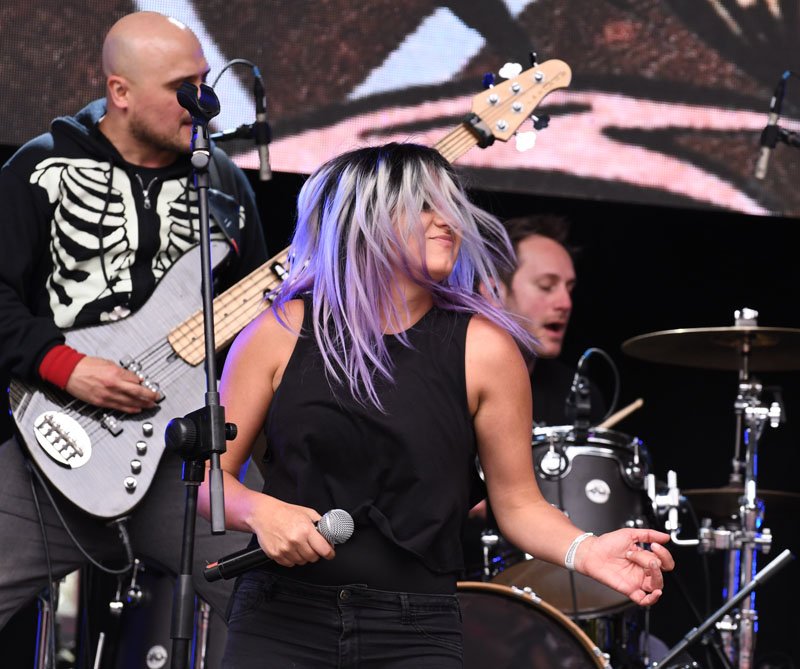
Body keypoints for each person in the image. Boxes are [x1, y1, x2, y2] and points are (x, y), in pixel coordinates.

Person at [198, 142, 674, 668]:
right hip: (281, 619)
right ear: (364, 217)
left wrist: (587, 550)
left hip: (414, 628)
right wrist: (259, 511)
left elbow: (518, 503)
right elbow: (208, 479)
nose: (447, 220)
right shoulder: (279, 332)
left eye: (449, 205)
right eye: (423, 205)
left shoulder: (486, 350)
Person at [0, 10, 267, 663]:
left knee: (277, 606)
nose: (202, 103)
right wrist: (63, 365)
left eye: (204, 82)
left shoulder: (225, 184)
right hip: (49, 443)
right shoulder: (38, 168)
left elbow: (263, 318)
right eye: (182, 88)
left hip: (186, 458)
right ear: (120, 91)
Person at [498, 214, 606, 425]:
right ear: (494, 291)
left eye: (569, 289)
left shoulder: (579, 398)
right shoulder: (455, 383)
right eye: (546, 286)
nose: (566, 303)